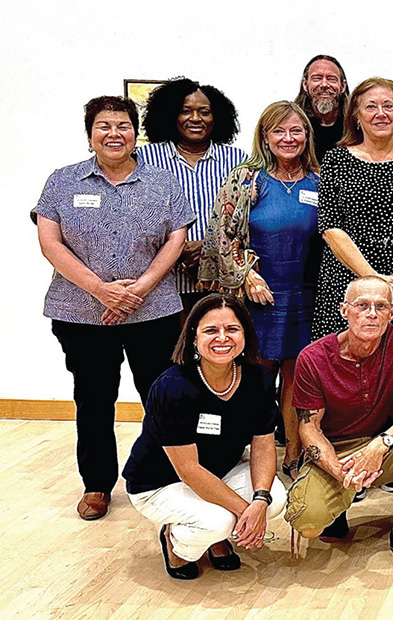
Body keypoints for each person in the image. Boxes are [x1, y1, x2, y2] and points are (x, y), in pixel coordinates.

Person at [34, 96, 192, 521]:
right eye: (104, 126)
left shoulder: (162, 182)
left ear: (135, 132)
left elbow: (176, 237)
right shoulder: (62, 181)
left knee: (160, 396)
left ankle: (160, 474)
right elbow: (50, 242)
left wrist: (138, 289)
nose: (114, 133)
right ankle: (97, 485)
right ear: (90, 134)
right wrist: (102, 290)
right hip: (81, 313)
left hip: (153, 309)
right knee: (93, 398)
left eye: (123, 125)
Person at [199, 101, 323, 480]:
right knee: (256, 378)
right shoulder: (245, 178)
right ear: (265, 136)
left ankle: (294, 452)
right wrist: (246, 274)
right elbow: (220, 234)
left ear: (307, 136)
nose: (288, 139)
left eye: (296, 131)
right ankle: (252, 450)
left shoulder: (319, 179)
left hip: (306, 293)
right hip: (258, 295)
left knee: (297, 376)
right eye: (279, 131)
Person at [122, 294, 287, 579]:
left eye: (232, 329)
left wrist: (259, 501)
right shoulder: (173, 387)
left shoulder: (257, 378)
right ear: (194, 338)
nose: (222, 338)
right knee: (219, 522)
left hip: (221, 471)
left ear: (245, 334)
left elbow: (263, 446)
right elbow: (188, 469)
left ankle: (218, 534)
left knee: (275, 498)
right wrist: (246, 512)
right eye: (211, 330)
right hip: (161, 482)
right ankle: (176, 544)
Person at [285, 275, 393, 573]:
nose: (372, 313)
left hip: (385, 442)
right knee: (307, 524)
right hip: (337, 451)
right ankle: (340, 503)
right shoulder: (312, 357)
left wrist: (381, 444)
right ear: (344, 311)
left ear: (392, 314)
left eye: (381, 306)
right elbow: (309, 427)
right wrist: (339, 471)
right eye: (362, 305)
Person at [312, 77, 393, 336]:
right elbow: (329, 227)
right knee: (343, 364)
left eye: (388, 106)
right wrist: (374, 281)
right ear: (356, 116)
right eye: (371, 107)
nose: (380, 114)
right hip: (348, 281)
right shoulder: (336, 160)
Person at [138, 78, 245, 314]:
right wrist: (175, 249)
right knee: (171, 350)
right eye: (185, 111)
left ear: (217, 117)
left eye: (204, 112)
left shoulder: (237, 160)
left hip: (223, 282)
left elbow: (249, 217)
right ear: (170, 115)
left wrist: (210, 247)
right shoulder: (144, 159)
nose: (195, 118)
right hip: (162, 285)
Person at [294, 54, 350, 163]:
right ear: (305, 85)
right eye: (317, 78)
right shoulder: (293, 122)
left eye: (331, 79)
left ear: (343, 86)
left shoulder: (357, 123)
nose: (324, 84)